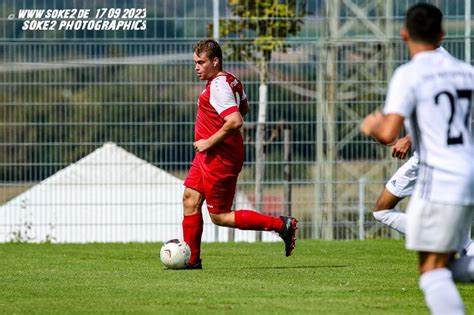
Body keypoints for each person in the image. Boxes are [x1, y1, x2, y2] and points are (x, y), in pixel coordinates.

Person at [361, 3, 474, 314]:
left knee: (433, 274)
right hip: (467, 170)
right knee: (440, 268)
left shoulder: (409, 74)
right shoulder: (466, 72)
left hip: (439, 175)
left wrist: (371, 126)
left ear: (404, 34)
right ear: (441, 34)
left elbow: (387, 133)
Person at [182, 39, 298, 269]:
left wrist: (208, 141)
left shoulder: (218, 86)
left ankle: (281, 225)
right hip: (208, 155)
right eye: (195, 62)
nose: (196, 67)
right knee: (190, 199)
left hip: (219, 157)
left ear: (215, 61)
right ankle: (192, 261)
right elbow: (244, 107)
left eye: (201, 62)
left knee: (220, 216)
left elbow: (236, 120)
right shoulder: (230, 79)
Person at [373, 134, 474, 256]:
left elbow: (437, 118)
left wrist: (408, 139)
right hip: (459, 155)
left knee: (382, 211)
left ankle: (464, 243)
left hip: (430, 156)